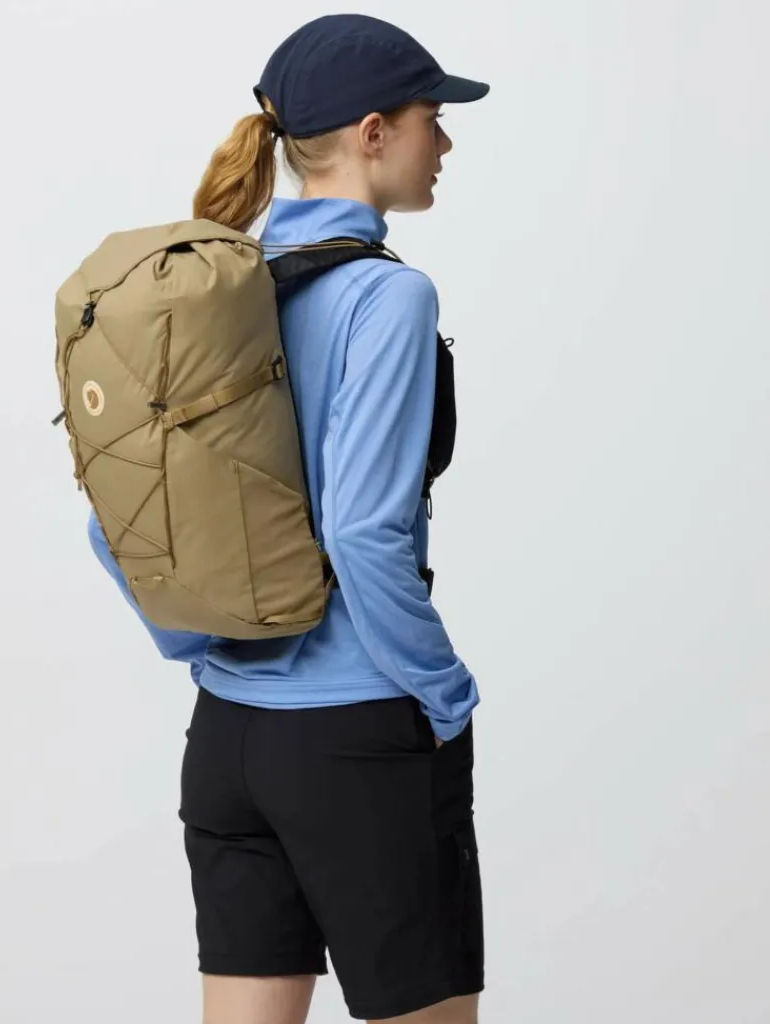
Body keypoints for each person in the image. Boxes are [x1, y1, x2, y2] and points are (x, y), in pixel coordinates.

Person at [88, 14, 490, 1024]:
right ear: (372, 133)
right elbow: (361, 531)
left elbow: (115, 520)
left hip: (227, 742)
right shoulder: (384, 299)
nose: (444, 141)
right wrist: (444, 694)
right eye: (431, 118)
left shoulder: (210, 288)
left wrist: (206, 644)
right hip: (358, 738)